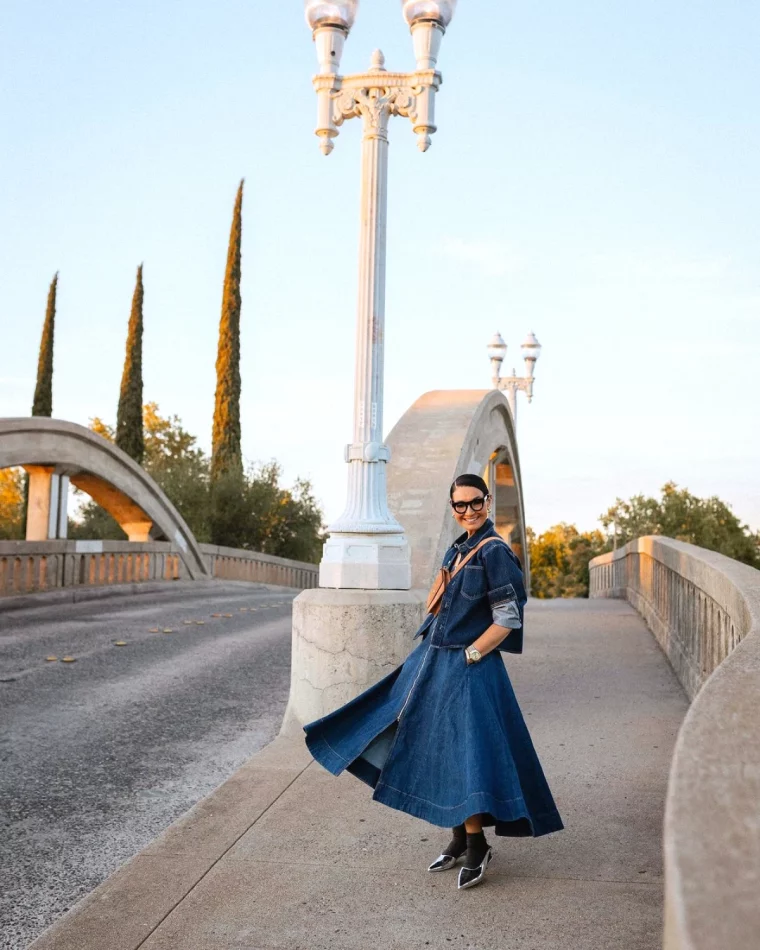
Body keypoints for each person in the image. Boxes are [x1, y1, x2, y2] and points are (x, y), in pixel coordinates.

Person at [303, 473, 564, 890]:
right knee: (432, 745)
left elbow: (508, 619)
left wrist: (469, 656)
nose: (469, 511)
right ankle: (460, 836)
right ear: (452, 507)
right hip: (432, 663)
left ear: (488, 500)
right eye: (460, 505)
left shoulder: (494, 552)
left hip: (468, 670)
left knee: (468, 756)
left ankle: (478, 845)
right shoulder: (457, 550)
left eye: (475, 503)